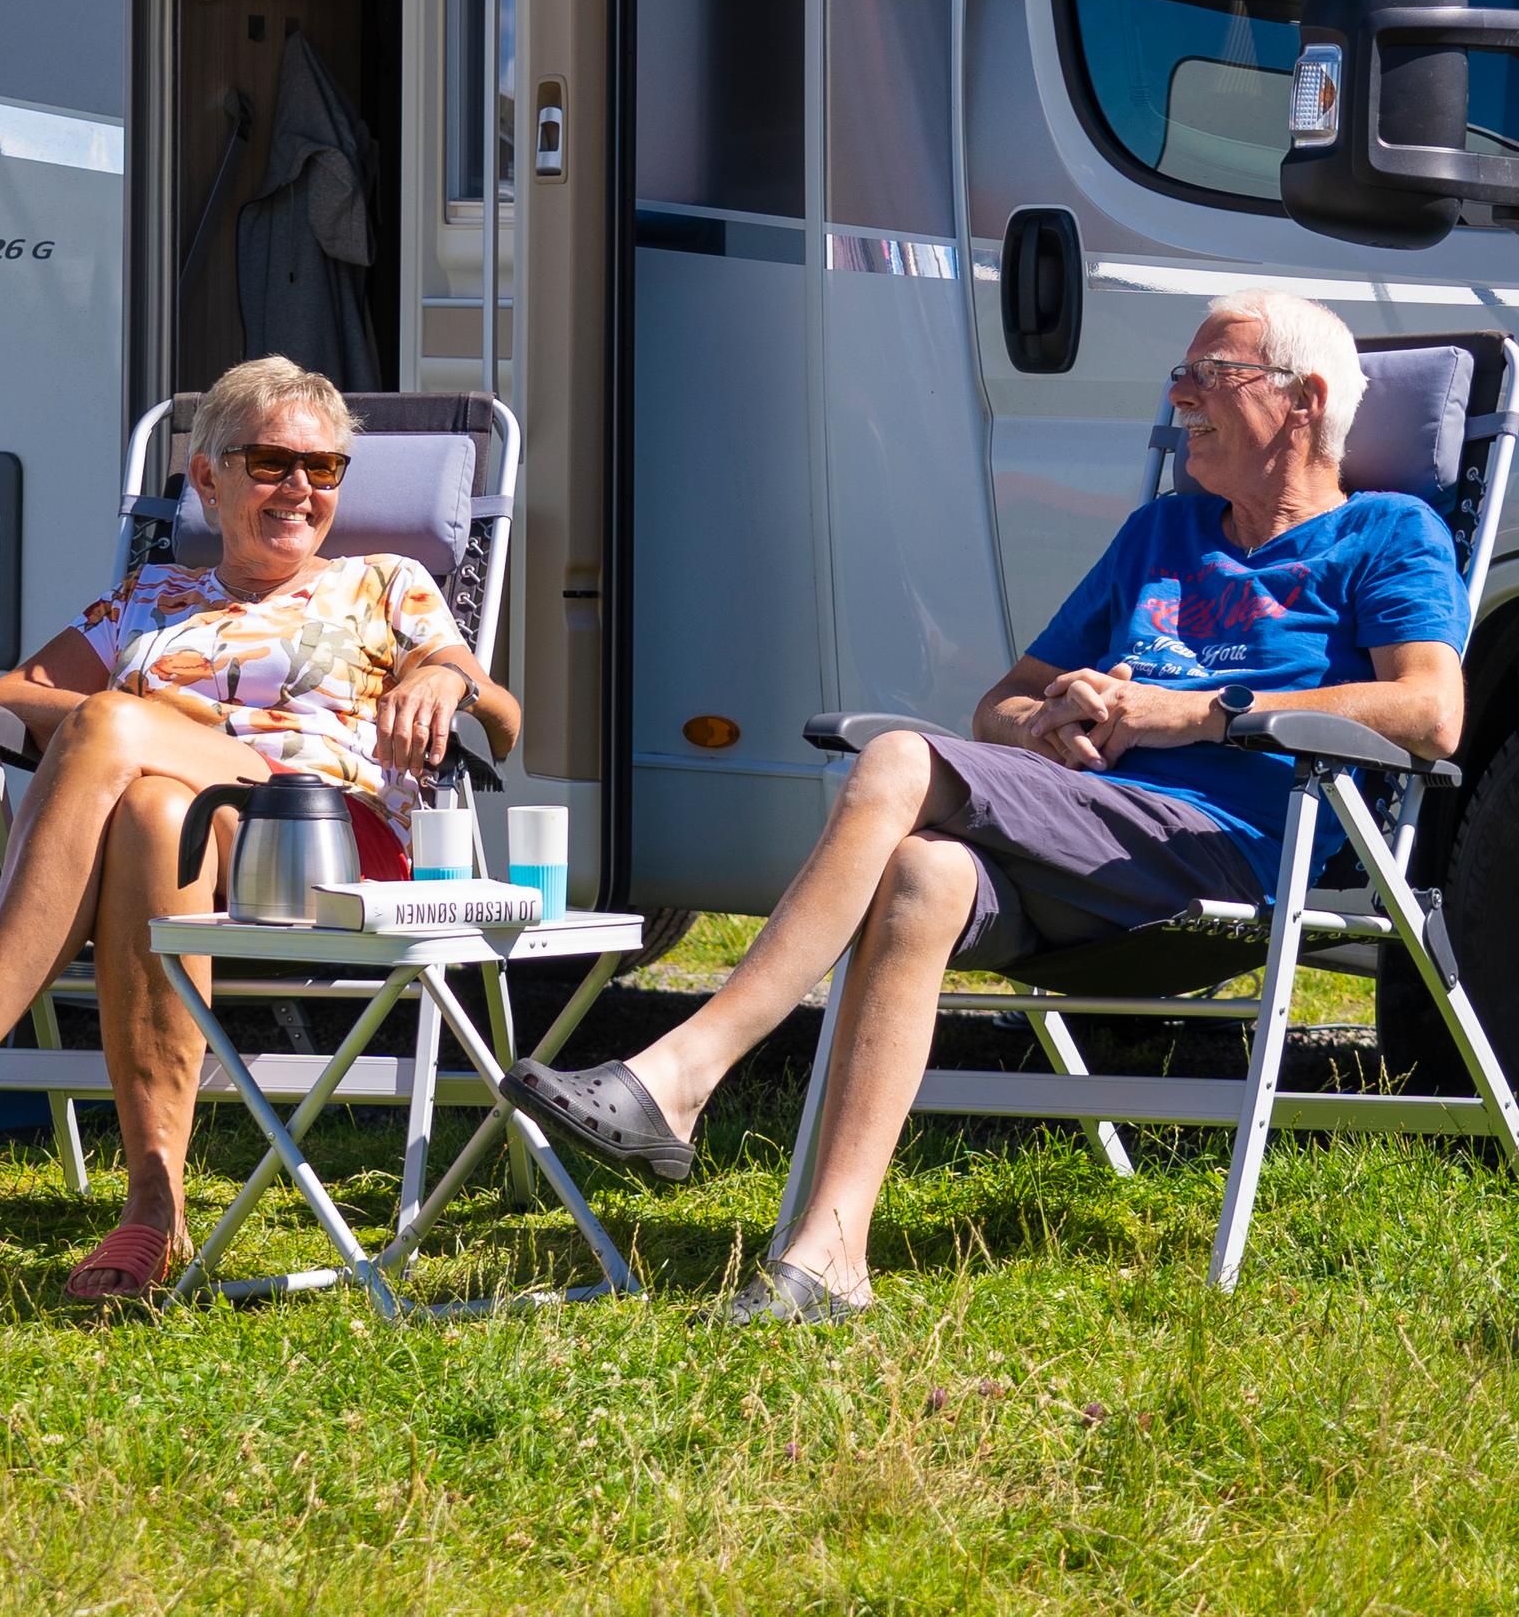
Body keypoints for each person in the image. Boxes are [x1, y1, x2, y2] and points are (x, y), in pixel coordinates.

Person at [504, 291, 1467, 1326]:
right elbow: (999, 703)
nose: (1178, 395)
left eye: (1208, 374)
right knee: (923, 873)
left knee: (896, 759)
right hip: (1090, 834)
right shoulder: (1160, 533)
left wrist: (1193, 712)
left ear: (1303, 399)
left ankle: (688, 1070)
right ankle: (830, 1256)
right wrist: (1051, 720)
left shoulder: (1384, 532)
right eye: (1178, 374)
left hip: (1221, 851)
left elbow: (1432, 710)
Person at [0, 355, 519, 1299]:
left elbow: (503, 719)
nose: (300, 487)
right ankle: (152, 1212)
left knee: (109, 725)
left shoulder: (384, 581)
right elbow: (7, 695)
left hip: (322, 839)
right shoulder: (150, 597)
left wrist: (445, 678)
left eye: (324, 468)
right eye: (271, 462)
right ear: (207, 476)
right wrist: (153, 739)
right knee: (149, 804)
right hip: (186, 835)